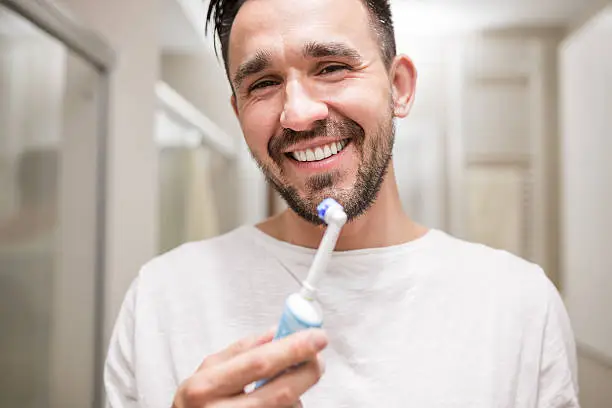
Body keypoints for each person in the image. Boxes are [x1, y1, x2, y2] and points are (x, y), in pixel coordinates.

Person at [104, 0, 579, 406]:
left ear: (399, 87)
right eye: (263, 83)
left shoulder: (518, 305)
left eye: (331, 68)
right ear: (238, 112)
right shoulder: (161, 300)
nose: (298, 114)